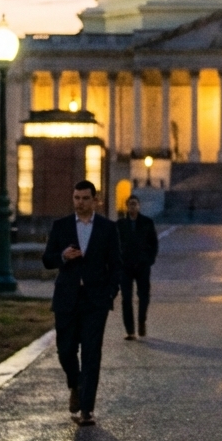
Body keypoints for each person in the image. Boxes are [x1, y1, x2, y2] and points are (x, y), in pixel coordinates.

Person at [42, 180, 122, 426]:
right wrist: (63, 256)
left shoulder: (108, 228)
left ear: (94, 200)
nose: (80, 203)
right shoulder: (61, 226)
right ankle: (75, 384)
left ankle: (87, 409)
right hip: (66, 299)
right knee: (65, 350)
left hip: (95, 301)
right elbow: (47, 260)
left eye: (85, 198)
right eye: (76, 198)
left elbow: (116, 265)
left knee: (91, 353)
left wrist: (109, 294)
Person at [118, 193, 159, 339]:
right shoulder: (121, 224)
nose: (132, 207)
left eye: (135, 204)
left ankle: (142, 322)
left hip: (142, 266)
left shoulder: (147, 222)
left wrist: (150, 259)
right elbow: (115, 244)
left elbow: (154, 243)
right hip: (126, 267)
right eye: (130, 204)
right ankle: (130, 330)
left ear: (139, 206)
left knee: (143, 297)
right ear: (127, 206)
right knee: (126, 298)